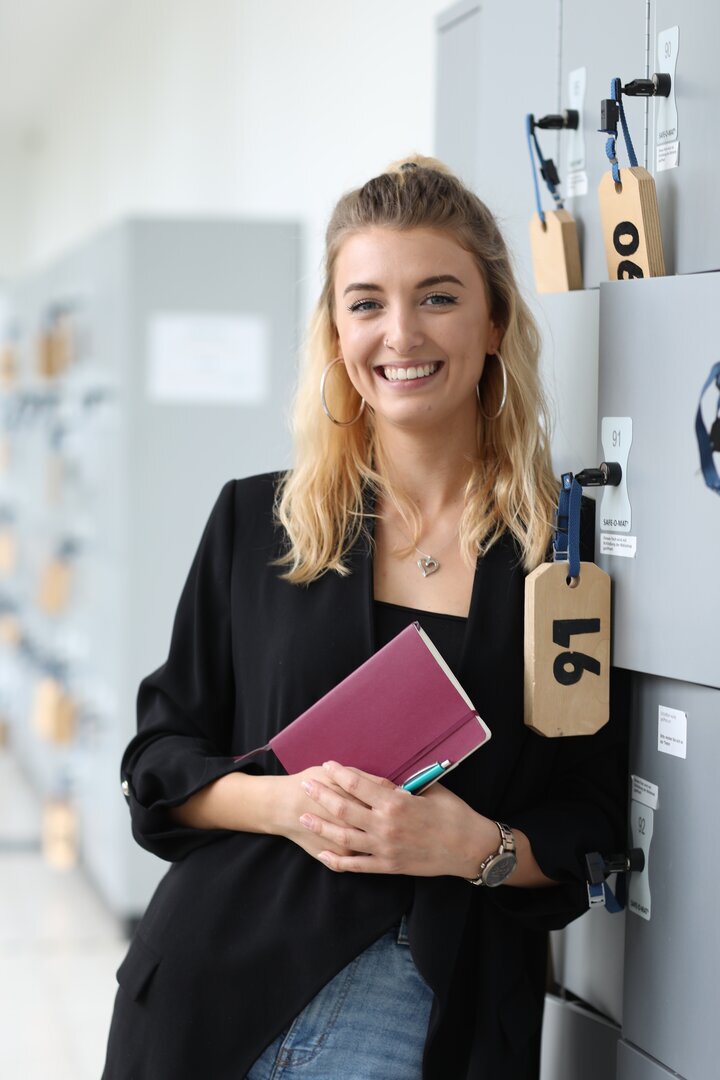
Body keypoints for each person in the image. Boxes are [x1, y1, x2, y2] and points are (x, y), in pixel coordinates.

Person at [103, 156, 627, 1080]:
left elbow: (593, 816)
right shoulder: (257, 522)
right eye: (367, 303)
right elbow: (157, 763)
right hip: (209, 995)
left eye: (438, 297)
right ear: (336, 331)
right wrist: (287, 804)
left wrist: (475, 848)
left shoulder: (561, 559)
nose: (401, 334)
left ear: (494, 322)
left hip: (433, 1009)